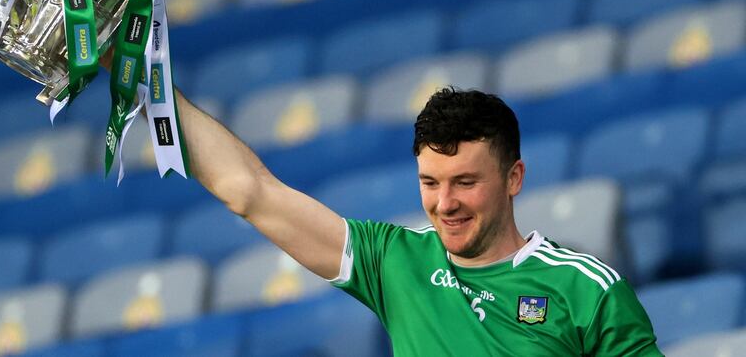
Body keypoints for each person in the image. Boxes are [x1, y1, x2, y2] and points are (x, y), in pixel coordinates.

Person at [174, 85, 662, 356]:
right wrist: (138, 69)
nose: (445, 203)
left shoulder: (587, 289)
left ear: (514, 178)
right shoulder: (394, 260)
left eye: (465, 182)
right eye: (430, 182)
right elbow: (251, 192)